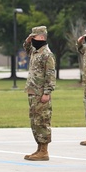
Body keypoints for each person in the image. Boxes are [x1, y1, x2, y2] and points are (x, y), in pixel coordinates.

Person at [23, 26, 56, 161]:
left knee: (42, 121)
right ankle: (39, 148)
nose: (32, 40)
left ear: (41, 37)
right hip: (33, 92)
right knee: (35, 121)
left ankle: (44, 151)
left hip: (41, 93)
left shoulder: (47, 54)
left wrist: (47, 92)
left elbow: (50, 75)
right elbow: (26, 48)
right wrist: (28, 40)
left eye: (34, 37)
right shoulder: (35, 52)